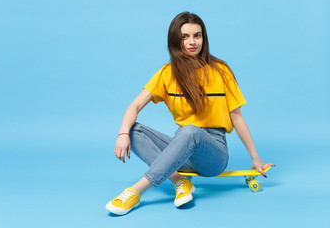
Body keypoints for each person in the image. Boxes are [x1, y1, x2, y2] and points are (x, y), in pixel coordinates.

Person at [105, 12, 274, 216]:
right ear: (176, 40)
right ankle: (179, 180)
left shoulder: (221, 71)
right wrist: (123, 134)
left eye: (197, 35)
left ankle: (136, 190)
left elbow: (236, 117)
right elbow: (134, 106)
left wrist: (255, 158)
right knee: (132, 129)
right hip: (182, 149)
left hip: (213, 154)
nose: (192, 42)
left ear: (204, 38)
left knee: (190, 131)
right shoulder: (167, 73)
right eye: (185, 37)